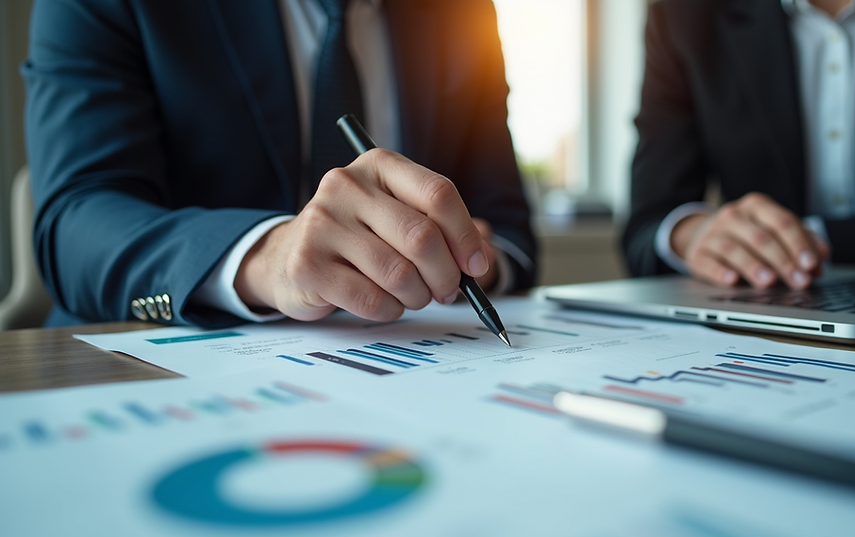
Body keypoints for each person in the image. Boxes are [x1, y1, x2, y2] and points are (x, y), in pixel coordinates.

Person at [23, 0, 536, 328]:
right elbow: (73, 222)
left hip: (410, 359)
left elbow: (510, 229)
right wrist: (266, 257)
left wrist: (472, 262)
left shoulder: (462, 13)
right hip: (156, 366)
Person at [623, 0, 855, 290]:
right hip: (763, 305)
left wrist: (802, 241)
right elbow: (645, 226)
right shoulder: (683, 15)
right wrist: (692, 235)